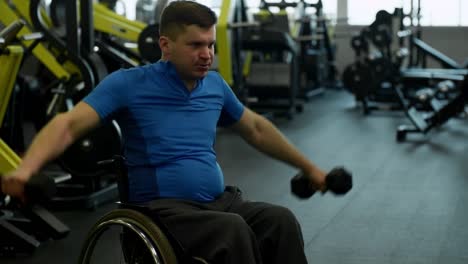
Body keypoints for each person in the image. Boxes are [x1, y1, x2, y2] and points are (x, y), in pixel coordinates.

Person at [1, 1, 328, 263]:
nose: (207, 54)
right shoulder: (128, 84)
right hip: (164, 211)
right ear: (165, 45)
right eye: (196, 45)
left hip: (219, 204)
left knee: (280, 221)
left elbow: (256, 128)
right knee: (233, 231)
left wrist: (309, 168)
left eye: (211, 44)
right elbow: (68, 124)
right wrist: (25, 171)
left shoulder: (214, 85)